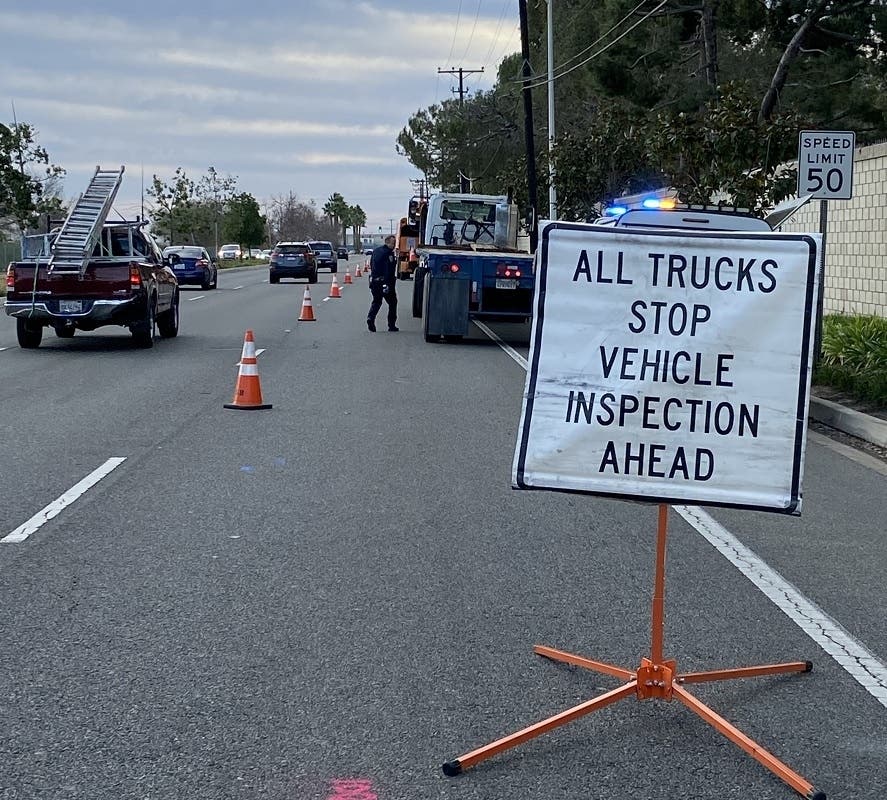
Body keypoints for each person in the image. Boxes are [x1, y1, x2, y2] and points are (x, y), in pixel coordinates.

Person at [367, 234, 398, 332]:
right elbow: (388, 270)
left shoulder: (376, 251)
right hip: (385, 282)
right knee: (393, 302)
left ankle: (370, 318)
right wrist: (387, 283)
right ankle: (391, 325)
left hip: (374, 281)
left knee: (376, 302)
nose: (394, 245)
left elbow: (371, 265)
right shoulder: (388, 254)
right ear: (388, 242)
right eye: (393, 243)